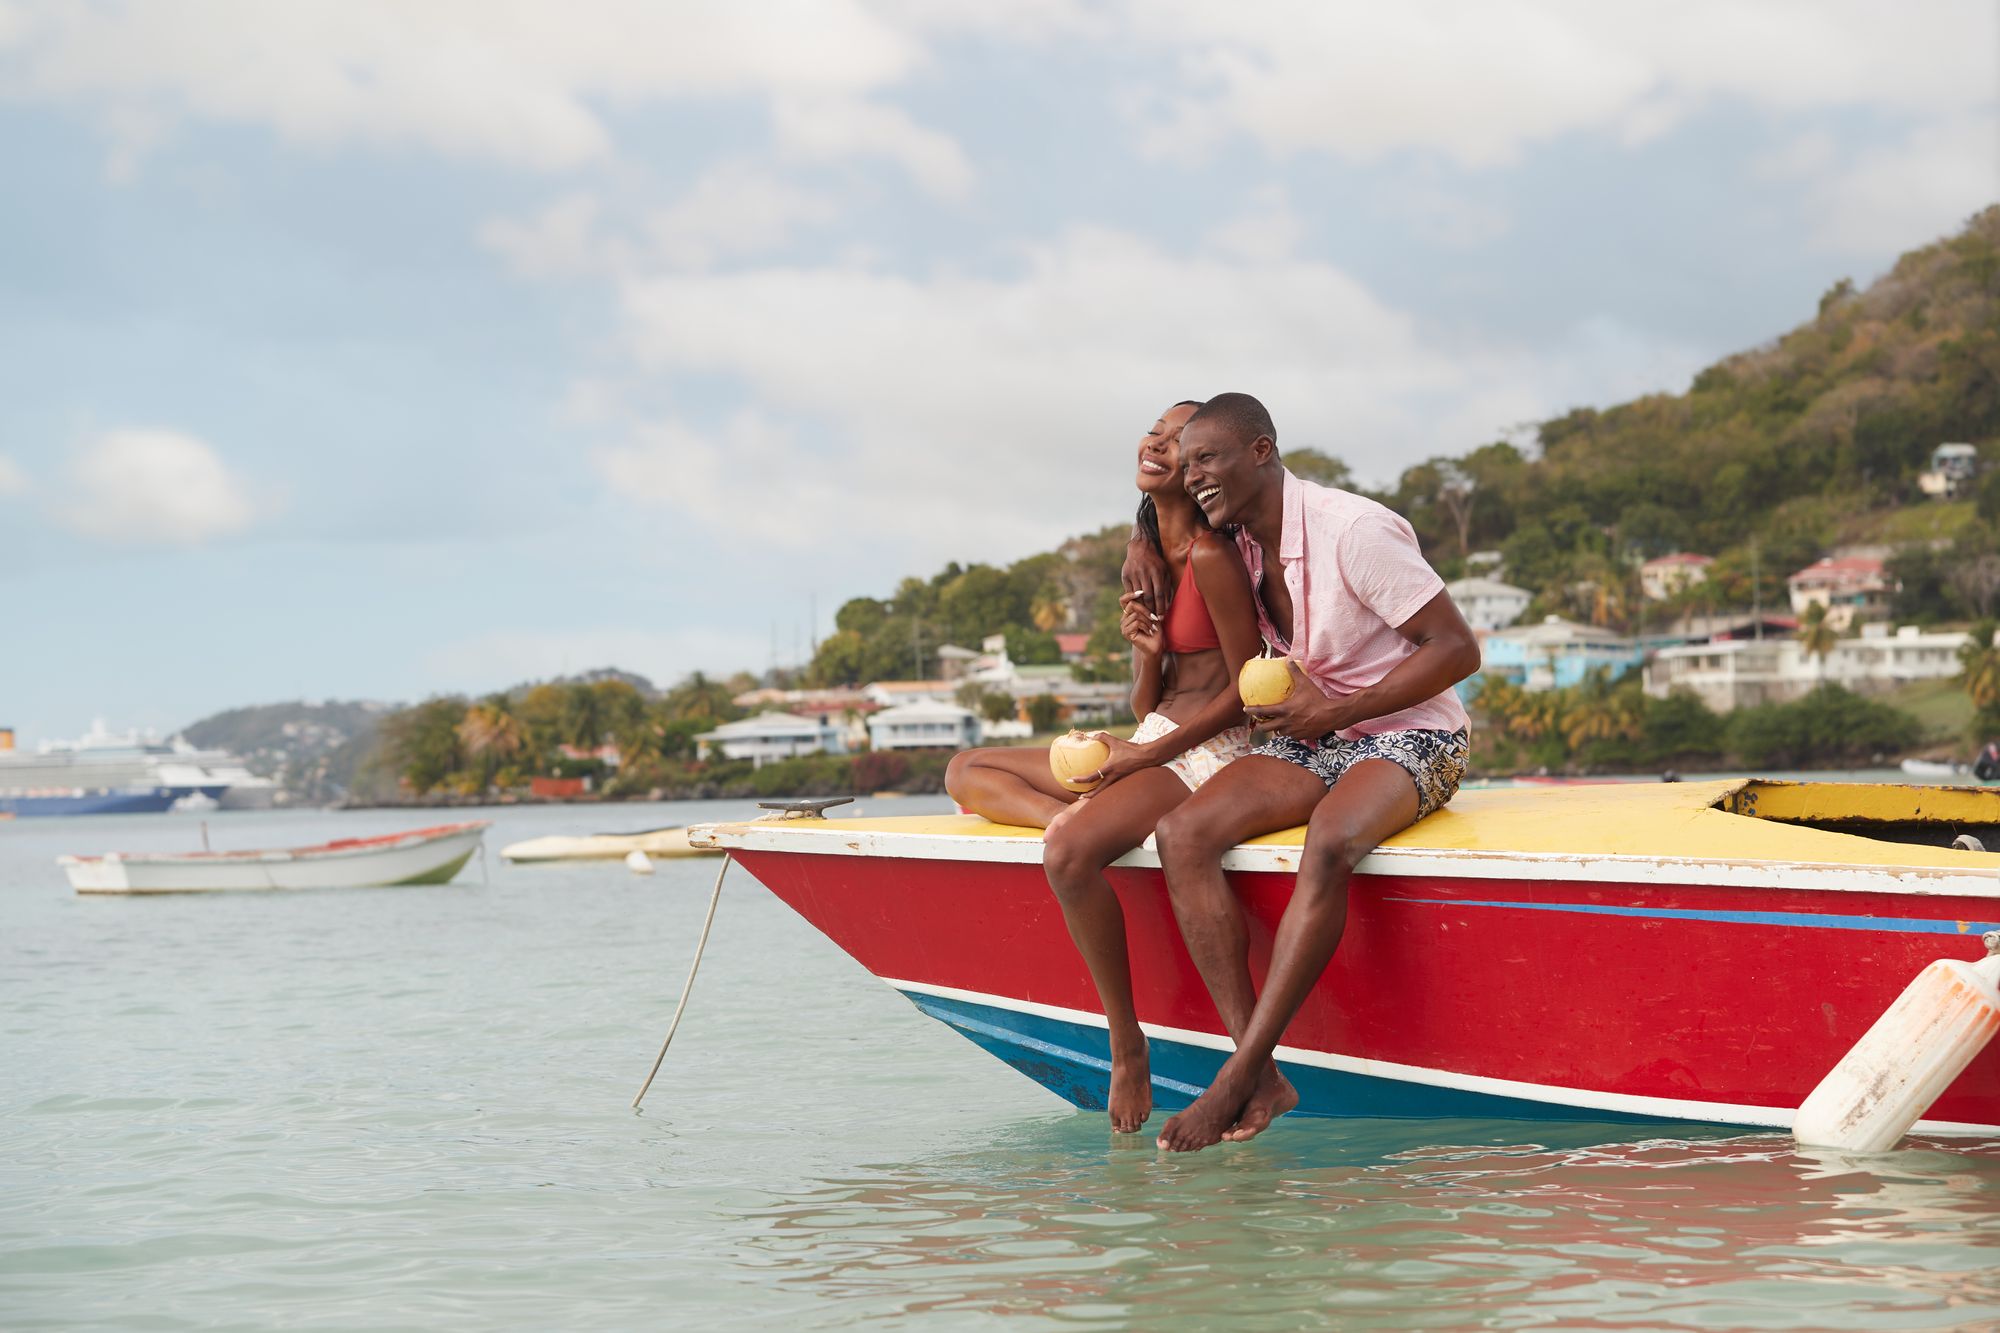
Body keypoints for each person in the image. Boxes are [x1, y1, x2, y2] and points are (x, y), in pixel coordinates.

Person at [1121, 392, 1481, 1153]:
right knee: (1182, 834)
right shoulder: (1239, 538)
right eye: (1187, 465)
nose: (1194, 476)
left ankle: (1235, 1077)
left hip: (1413, 731)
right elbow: (1165, 514)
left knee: (1330, 842)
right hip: (1315, 733)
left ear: (1261, 451)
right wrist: (1141, 543)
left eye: (1207, 459)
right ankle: (1263, 1076)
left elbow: (1456, 648)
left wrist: (1337, 712)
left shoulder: (1355, 531)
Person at [945, 400, 1263, 1133]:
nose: (1156, 441)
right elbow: (1150, 700)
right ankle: (1075, 816)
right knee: (967, 769)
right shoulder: (1144, 554)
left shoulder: (1211, 557)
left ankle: (1127, 1044)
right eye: (1155, 429)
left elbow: (1247, 691)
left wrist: (1149, 752)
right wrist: (1146, 655)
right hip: (1155, 733)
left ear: (1202, 463)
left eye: (1177, 438)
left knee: (1066, 854)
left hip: (1210, 751)